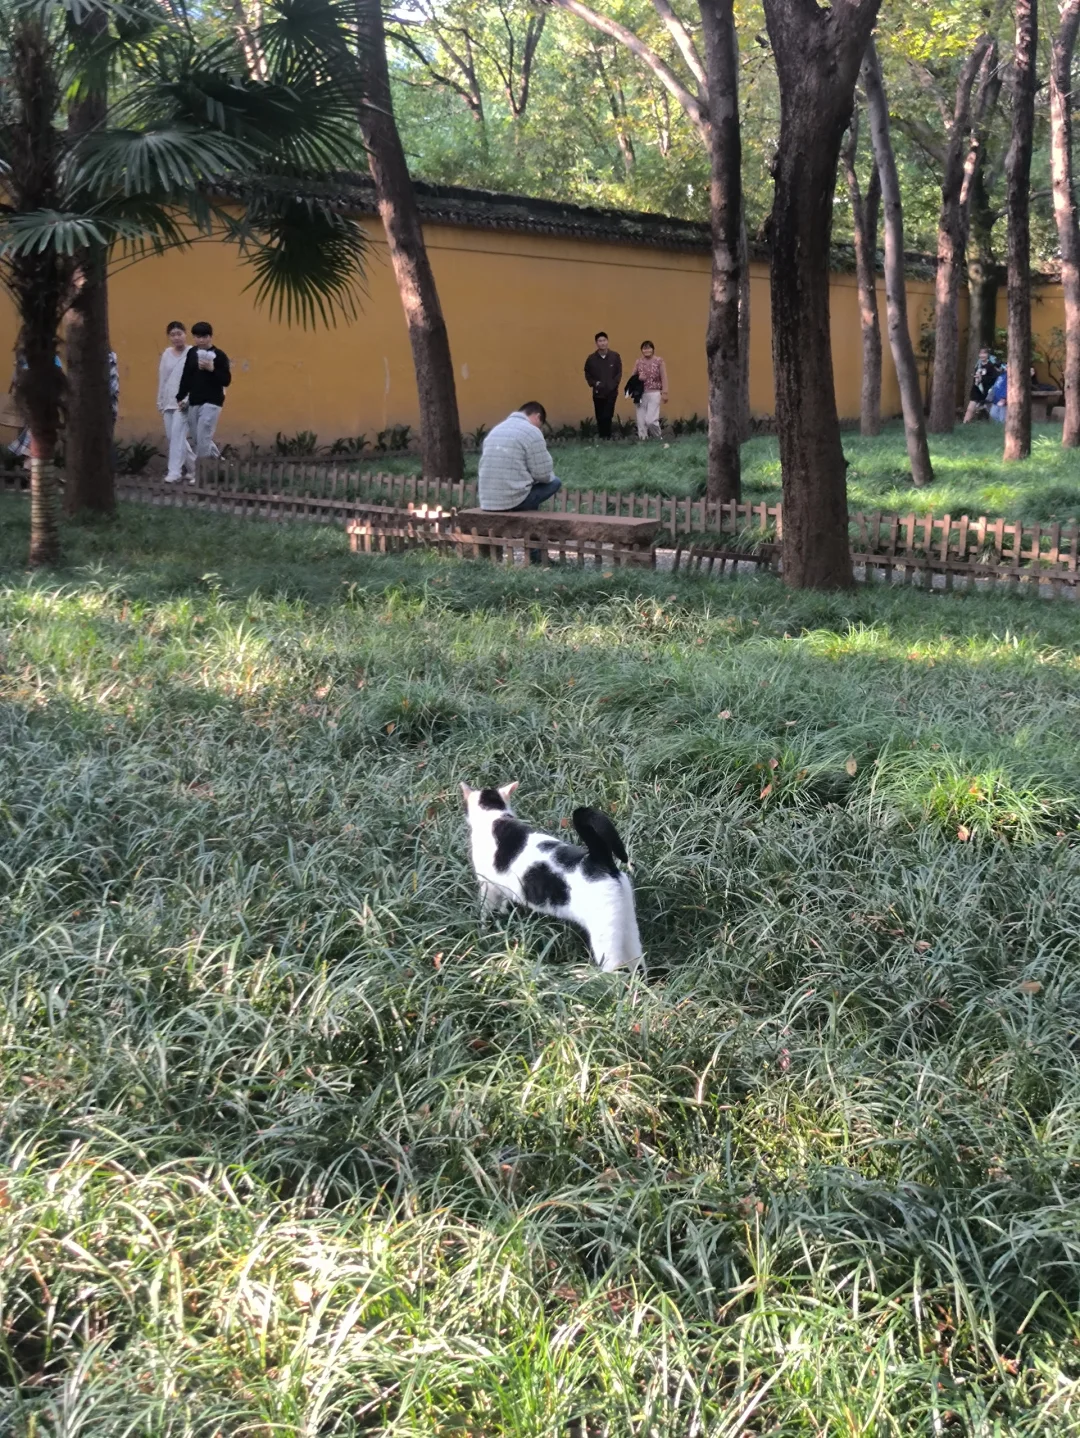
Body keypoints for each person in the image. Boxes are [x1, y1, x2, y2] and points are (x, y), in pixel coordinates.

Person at [478, 402, 561, 512]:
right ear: (538, 417)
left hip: (487, 501)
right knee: (555, 482)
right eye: (540, 425)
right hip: (511, 502)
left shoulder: (497, 430)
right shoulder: (532, 431)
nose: (539, 428)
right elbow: (544, 475)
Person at [176, 320, 231, 473]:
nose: (200, 340)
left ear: (210, 337)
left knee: (204, 437)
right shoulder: (192, 353)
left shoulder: (219, 355)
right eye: (197, 337)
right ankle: (221, 466)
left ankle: (202, 475)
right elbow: (186, 376)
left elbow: (226, 380)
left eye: (204, 336)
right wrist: (180, 396)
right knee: (196, 438)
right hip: (194, 400)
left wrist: (212, 369)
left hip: (212, 401)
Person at [158, 321, 195, 483]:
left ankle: (174, 472)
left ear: (185, 334)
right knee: (173, 437)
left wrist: (188, 399)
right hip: (168, 400)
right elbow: (163, 378)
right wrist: (160, 399)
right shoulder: (166, 354)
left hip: (185, 402)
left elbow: (196, 379)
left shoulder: (193, 353)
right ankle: (196, 468)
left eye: (179, 334)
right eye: (173, 335)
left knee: (178, 435)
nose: (176, 338)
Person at [584, 332, 622, 439]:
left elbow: (618, 372)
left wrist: (613, 384)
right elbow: (587, 373)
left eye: (604, 340)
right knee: (600, 415)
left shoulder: (615, 356)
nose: (602, 343)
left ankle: (607, 436)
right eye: (600, 341)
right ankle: (602, 436)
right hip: (598, 392)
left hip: (611, 392)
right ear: (596, 343)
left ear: (607, 341)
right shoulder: (591, 358)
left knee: (608, 415)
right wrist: (594, 383)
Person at [631, 340, 668, 440]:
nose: (647, 350)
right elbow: (632, 378)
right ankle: (643, 441)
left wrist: (665, 392)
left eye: (649, 348)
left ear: (653, 349)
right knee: (641, 421)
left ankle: (658, 438)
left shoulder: (659, 361)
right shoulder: (638, 362)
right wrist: (638, 377)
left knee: (651, 420)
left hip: (654, 393)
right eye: (644, 348)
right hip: (641, 394)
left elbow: (663, 377)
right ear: (642, 350)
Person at [963, 347, 1002, 422]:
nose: (982, 355)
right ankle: (965, 423)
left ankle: (995, 426)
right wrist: (976, 378)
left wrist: (982, 379)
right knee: (970, 409)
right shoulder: (978, 364)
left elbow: (993, 379)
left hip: (987, 391)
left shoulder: (991, 365)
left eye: (984, 353)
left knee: (991, 412)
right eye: (981, 353)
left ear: (988, 355)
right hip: (977, 390)